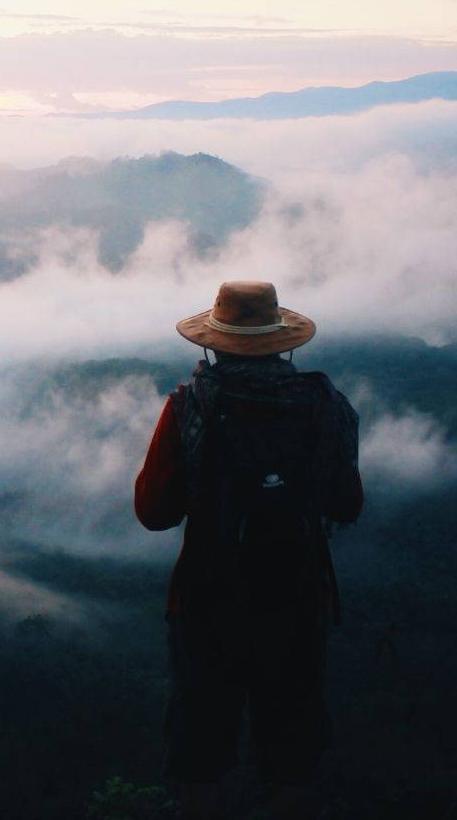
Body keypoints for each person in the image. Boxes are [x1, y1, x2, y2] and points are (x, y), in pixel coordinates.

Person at [135, 280, 362, 819]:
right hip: (296, 598)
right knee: (291, 758)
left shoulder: (190, 405)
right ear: (284, 343)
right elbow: (346, 504)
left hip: (207, 602)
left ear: (213, 344)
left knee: (201, 757)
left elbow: (153, 512)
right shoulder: (326, 406)